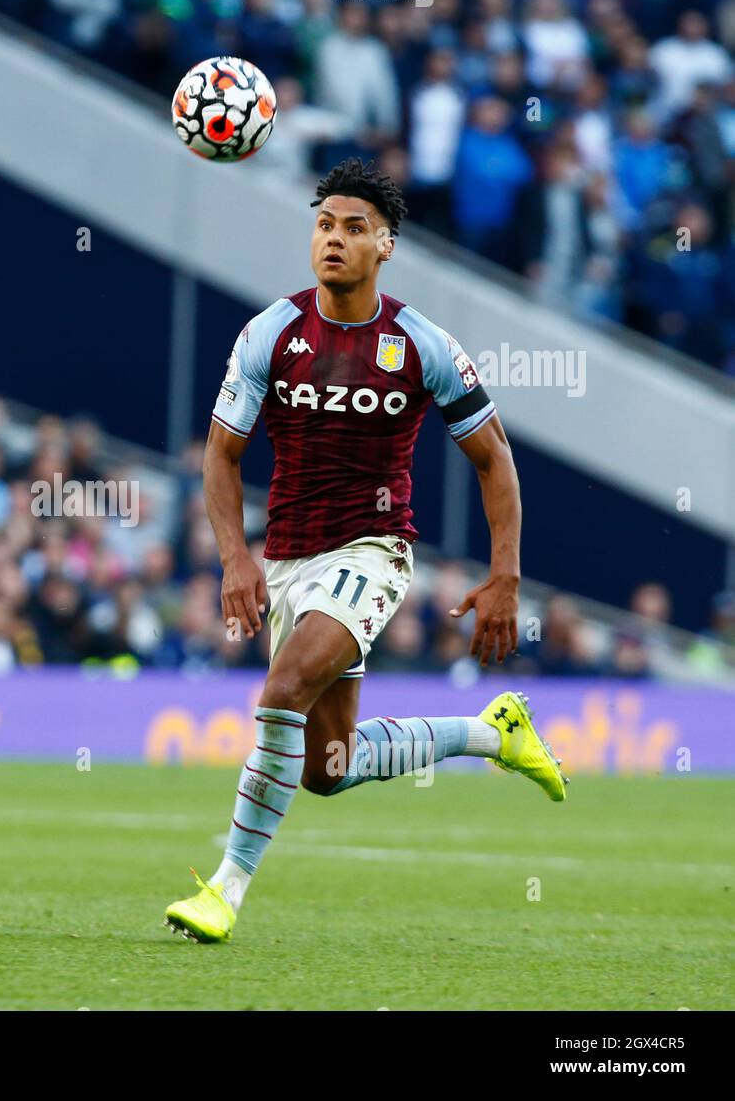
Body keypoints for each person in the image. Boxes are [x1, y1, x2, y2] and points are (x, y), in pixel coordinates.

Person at [164, 158, 566, 945]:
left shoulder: (422, 344)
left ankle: (225, 889)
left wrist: (505, 573)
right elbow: (219, 454)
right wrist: (236, 558)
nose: (335, 240)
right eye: (324, 225)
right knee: (328, 767)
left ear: (386, 246)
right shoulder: (270, 334)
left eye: (353, 228)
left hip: (373, 550)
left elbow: (494, 458)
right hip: (286, 558)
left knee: (281, 690)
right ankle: (494, 733)